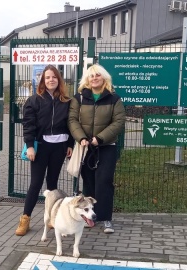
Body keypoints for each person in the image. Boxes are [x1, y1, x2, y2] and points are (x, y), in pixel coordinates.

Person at [15, 65, 74, 236]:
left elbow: (70, 125)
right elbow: (28, 126)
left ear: (59, 80)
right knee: (35, 184)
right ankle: (25, 219)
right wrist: (30, 146)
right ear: (42, 81)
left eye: (54, 77)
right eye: (47, 77)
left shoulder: (66, 101)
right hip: (41, 148)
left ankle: (52, 220)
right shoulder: (34, 100)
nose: (51, 80)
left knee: (53, 185)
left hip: (60, 148)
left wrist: (70, 144)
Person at [68, 64, 126, 234]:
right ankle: (89, 216)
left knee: (104, 181)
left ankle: (106, 218)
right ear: (87, 79)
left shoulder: (114, 99)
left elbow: (119, 121)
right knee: (89, 182)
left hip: (106, 146)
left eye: (98, 75)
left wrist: (99, 138)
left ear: (104, 78)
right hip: (86, 147)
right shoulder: (78, 98)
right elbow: (72, 120)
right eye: (91, 76)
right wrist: (82, 138)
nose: (94, 78)